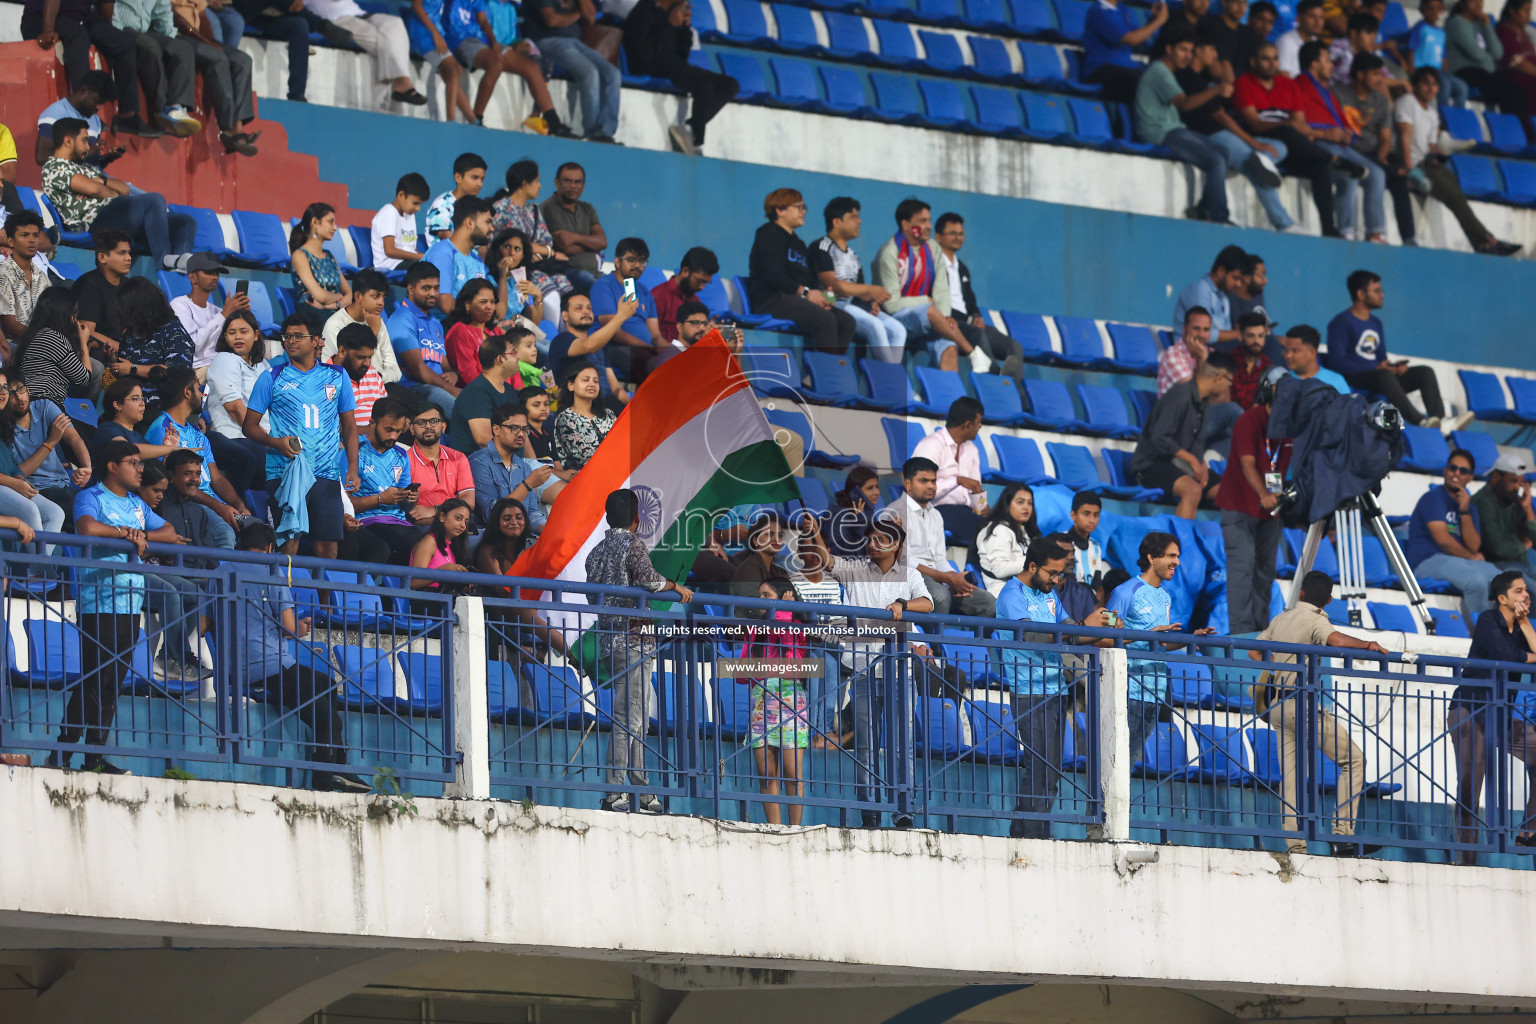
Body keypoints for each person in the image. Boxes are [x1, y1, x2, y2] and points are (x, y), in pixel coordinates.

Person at [53, 441, 179, 771]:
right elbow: (87, 528)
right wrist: (126, 535)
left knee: (112, 681)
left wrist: (139, 537)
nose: (140, 469)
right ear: (112, 466)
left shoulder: (137, 504)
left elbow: (168, 531)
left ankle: (86, 755)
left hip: (129, 602)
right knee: (96, 678)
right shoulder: (91, 496)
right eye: (133, 463)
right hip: (98, 601)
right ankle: (69, 751)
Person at [804, 514, 932, 828]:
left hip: (899, 670)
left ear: (897, 545)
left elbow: (927, 603)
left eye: (881, 540)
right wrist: (816, 532)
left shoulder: (910, 575)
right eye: (870, 539)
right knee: (865, 745)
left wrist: (903, 603)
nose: (873, 545)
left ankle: (905, 809)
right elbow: (827, 562)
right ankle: (870, 810)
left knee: (903, 743)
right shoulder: (858, 569)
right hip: (863, 669)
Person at [1251, 570, 1388, 856]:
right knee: (1354, 760)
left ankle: (1296, 846)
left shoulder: (1281, 617)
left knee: (1290, 776)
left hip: (1278, 706)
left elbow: (1255, 652)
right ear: (1327, 600)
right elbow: (1336, 641)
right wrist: (1368, 645)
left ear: (1300, 593)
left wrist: (1280, 667)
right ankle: (1342, 834)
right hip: (1303, 705)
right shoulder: (1315, 619)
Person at [230, 522, 370, 791]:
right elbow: (290, 628)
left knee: (323, 687)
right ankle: (329, 772)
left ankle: (336, 769)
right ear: (271, 548)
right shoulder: (272, 573)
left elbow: (202, 625)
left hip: (235, 666)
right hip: (269, 667)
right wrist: (302, 627)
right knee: (325, 695)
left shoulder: (219, 571)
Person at [995, 537, 1113, 838]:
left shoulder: (1049, 594)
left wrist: (1106, 628)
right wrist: (1082, 629)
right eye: (1052, 573)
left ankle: (1025, 832)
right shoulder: (1012, 594)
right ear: (1032, 566)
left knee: (1050, 771)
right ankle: (1030, 836)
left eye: (1061, 574)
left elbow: (1071, 632)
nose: (1057, 580)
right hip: (1028, 691)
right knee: (1040, 769)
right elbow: (1030, 637)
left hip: (1055, 691)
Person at [586, 488, 694, 812]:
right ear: (637, 519)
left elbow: (593, 596)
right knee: (628, 718)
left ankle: (642, 791)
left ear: (607, 517)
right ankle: (615, 792)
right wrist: (676, 587)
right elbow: (649, 581)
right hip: (635, 641)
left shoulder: (596, 551)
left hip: (609, 640)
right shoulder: (633, 544)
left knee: (636, 717)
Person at [243, 320, 359, 561]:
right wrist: (275, 443)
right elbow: (249, 427)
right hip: (285, 473)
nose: (291, 341)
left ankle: (324, 600)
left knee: (328, 548)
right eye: (287, 336)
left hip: (326, 474)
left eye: (298, 336)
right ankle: (286, 598)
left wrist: (353, 468)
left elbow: (349, 427)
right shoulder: (271, 377)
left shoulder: (337, 376)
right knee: (288, 543)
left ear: (317, 340)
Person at [1450, 570, 1536, 858]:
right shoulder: (1487, 620)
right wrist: (1528, 657)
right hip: (1470, 709)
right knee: (1471, 780)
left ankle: (1528, 832)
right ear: (1502, 598)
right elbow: (1505, 657)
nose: (1526, 595)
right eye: (1518, 591)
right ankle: (1467, 854)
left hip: (1500, 714)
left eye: (1526, 590)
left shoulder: (1522, 628)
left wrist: (1524, 622)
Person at [1108, 532, 1216, 758]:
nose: (1177, 562)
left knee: (1133, 759)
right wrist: (1148, 634)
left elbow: (1161, 643)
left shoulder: (1165, 596)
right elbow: (1105, 638)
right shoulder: (1124, 592)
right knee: (1117, 758)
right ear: (1151, 558)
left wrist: (1192, 638)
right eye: (1171, 556)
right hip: (1126, 688)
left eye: (1177, 556)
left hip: (1155, 691)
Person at [1176, 33, 1296, 232]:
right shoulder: (1188, 77)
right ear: (1199, 51)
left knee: (1280, 147)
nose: (1215, 56)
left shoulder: (1205, 78)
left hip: (1226, 134)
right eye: (1212, 50)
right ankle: (1283, 222)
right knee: (1255, 168)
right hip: (1211, 134)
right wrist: (1254, 144)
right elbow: (1221, 116)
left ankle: (1205, 207)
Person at [1396, 68, 1522, 256]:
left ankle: (1483, 242)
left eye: (1435, 84)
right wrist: (1408, 169)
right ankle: (1486, 241)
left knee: (1458, 196)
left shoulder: (1431, 112)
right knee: (1455, 198)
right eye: (1426, 83)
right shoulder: (1407, 103)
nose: (1431, 88)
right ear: (1415, 84)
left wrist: (1439, 154)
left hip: (1428, 164)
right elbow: (1404, 137)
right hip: (1415, 167)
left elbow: (1430, 145)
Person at [1235, 42, 1357, 236]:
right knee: (1291, 133)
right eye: (1265, 59)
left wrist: (1292, 125)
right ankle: (1332, 158)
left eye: (1275, 58)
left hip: (1291, 142)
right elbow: (1255, 125)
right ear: (1253, 61)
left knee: (1320, 166)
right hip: (1263, 135)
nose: (1271, 63)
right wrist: (1286, 124)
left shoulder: (1289, 85)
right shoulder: (1243, 82)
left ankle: (1329, 228)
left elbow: (1301, 126)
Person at [41, 119, 195, 268]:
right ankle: (163, 263)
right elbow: (95, 189)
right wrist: (101, 188)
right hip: (96, 220)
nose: (88, 147)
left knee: (185, 222)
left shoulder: (85, 167)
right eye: (84, 140)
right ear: (68, 141)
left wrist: (100, 181)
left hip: (116, 214)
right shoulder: (53, 166)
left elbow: (124, 189)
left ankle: (178, 269)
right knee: (154, 200)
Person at [1134, 25, 1240, 225]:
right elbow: (1185, 104)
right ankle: (1219, 217)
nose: (1188, 56)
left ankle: (1202, 209)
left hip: (1174, 129)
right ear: (1169, 49)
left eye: (1191, 51)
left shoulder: (1167, 71)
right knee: (1216, 160)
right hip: (1159, 133)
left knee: (1224, 153)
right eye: (1183, 50)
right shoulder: (1159, 71)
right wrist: (1217, 89)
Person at [1325, 270, 1456, 429]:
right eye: (1377, 291)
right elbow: (1336, 362)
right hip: (1355, 378)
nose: (1382, 295)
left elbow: (1381, 360)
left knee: (1424, 372)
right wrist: (1377, 368)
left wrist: (1395, 367)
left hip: (1379, 376)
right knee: (1384, 375)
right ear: (1361, 294)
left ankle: (1440, 422)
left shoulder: (1376, 323)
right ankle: (1419, 421)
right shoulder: (1341, 322)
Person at [1218, 365, 1291, 633]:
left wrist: (1275, 496)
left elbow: (1280, 465)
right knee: (1242, 571)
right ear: (1266, 391)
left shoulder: (1288, 426)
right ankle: (1241, 634)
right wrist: (1264, 493)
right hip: (1239, 507)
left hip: (1270, 510)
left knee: (1265, 573)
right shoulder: (1249, 419)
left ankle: (1261, 632)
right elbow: (1247, 463)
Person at [143, 365, 248, 543]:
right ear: (187, 392)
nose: (201, 394)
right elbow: (173, 483)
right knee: (224, 535)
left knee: (256, 531)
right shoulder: (162, 429)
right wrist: (220, 507)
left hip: (212, 504)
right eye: (198, 387)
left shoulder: (197, 434)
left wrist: (239, 505)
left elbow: (216, 478)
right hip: (186, 502)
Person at [1295, 40, 1387, 243]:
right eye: (1327, 61)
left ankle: (1375, 232)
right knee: (1349, 173)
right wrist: (1326, 134)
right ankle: (1346, 230)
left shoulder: (1326, 92)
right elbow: (1297, 126)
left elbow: (1342, 122)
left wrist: (1346, 133)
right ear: (1314, 64)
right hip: (1318, 145)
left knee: (1377, 174)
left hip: (1339, 144)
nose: (1332, 65)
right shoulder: (1297, 86)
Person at [882, 456, 996, 617]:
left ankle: (976, 643)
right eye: (923, 481)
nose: (930, 486)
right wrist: (946, 578)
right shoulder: (893, 513)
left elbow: (940, 559)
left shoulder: (935, 515)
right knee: (940, 596)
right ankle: (935, 643)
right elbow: (902, 560)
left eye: (933, 481)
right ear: (908, 484)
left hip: (937, 577)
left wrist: (955, 578)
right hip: (908, 576)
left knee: (987, 601)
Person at [749, 189, 857, 356]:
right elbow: (773, 274)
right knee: (826, 320)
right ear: (780, 210)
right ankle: (825, 375)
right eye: (798, 207)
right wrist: (806, 293)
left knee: (846, 321)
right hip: (772, 299)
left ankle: (823, 370)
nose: (803, 211)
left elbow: (807, 279)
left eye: (803, 207)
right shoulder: (768, 234)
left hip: (795, 299)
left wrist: (824, 296)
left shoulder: (797, 243)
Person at [622, 0, 738, 154]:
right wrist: (669, 25)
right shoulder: (642, 12)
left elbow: (682, 55)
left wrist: (684, 28)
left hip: (675, 66)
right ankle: (695, 139)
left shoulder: (671, 14)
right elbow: (645, 54)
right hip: (651, 68)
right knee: (703, 84)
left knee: (730, 85)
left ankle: (690, 127)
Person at [872, 198, 971, 372]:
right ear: (906, 225)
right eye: (923, 221)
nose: (929, 226)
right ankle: (973, 353)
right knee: (930, 311)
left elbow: (941, 288)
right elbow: (891, 304)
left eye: (929, 220)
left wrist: (945, 316)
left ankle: (947, 399)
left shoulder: (933, 248)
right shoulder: (889, 253)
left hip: (926, 320)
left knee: (948, 347)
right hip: (895, 318)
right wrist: (925, 301)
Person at [1131, 352, 1235, 518]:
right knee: (1192, 490)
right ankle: (1177, 543)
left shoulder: (1204, 402)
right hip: (1152, 464)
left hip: (1180, 463)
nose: (1228, 387)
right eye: (1229, 381)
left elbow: (1197, 444)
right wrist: (1192, 460)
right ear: (1219, 378)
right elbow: (1160, 438)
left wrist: (1201, 464)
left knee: (1229, 492)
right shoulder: (1180, 395)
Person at [442, 0, 569, 135]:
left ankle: (553, 122)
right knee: (495, 63)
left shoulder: (508, 7)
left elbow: (487, 23)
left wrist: (509, 43)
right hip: (465, 41)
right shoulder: (487, 3)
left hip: (488, 42)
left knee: (531, 66)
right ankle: (477, 118)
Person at [20, 5, 146, 136]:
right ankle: (82, 109)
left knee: (124, 42)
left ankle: (128, 116)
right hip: (43, 19)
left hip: (82, 20)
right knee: (79, 36)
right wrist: (48, 29)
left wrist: (107, 33)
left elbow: (106, 7)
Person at [1408, 449, 1503, 620]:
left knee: (1505, 583)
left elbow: (1474, 545)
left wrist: (1465, 511)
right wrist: (1472, 556)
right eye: (1453, 468)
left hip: (1459, 560)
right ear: (1445, 470)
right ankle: (1485, 637)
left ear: (1470, 477)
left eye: (1463, 471)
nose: (1456, 473)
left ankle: (1511, 634)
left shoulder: (1469, 504)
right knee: (1476, 582)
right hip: (1428, 560)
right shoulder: (1433, 498)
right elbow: (1443, 541)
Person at [808, 198, 904, 364]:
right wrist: (868, 290)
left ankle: (890, 376)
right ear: (837, 222)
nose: (859, 221)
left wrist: (870, 304)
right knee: (876, 327)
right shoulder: (821, 247)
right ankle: (894, 379)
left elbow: (858, 292)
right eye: (853, 217)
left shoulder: (854, 256)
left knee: (898, 330)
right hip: (831, 303)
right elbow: (832, 285)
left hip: (851, 306)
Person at [931, 213, 1025, 376]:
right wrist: (968, 319)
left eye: (961, 234)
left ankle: (1017, 394)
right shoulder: (932, 265)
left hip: (969, 324)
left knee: (1014, 347)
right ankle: (995, 376)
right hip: (950, 323)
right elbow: (936, 302)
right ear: (938, 237)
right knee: (979, 335)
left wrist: (976, 315)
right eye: (953, 233)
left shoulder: (962, 268)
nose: (958, 237)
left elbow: (971, 301)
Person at [170, 0, 260, 156]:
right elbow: (172, 16)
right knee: (218, 58)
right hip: (177, 35)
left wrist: (210, 40)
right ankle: (227, 129)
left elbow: (202, 15)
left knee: (243, 61)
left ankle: (237, 126)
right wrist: (205, 42)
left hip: (197, 36)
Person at [524, 0, 622, 143]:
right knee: (590, 72)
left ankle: (606, 132)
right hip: (548, 41)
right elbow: (552, 20)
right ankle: (592, 131)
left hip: (574, 42)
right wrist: (578, 14)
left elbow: (591, 17)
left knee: (613, 74)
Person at [302, 0, 426, 107]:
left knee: (394, 24)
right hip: (333, 20)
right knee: (385, 42)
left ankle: (401, 83)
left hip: (359, 13)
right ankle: (391, 100)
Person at [107, 0, 204, 137]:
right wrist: (116, 30)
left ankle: (175, 108)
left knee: (182, 48)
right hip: (122, 27)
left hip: (143, 31)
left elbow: (163, 11)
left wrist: (169, 43)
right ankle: (161, 111)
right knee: (150, 47)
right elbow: (111, 7)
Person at [490, 160, 574, 307]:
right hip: (511, 271)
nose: (540, 185)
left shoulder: (533, 210)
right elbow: (504, 242)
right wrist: (545, 251)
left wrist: (540, 250)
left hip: (537, 265)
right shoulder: (501, 209)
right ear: (524, 184)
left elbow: (547, 240)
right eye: (536, 181)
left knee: (570, 294)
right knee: (551, 297)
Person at [912, 396, 990, 546]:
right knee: (983, 532)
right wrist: (957, 480)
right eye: (978, 422)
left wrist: (983, 507)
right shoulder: (931, 445)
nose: (980, 426)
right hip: (934, 510)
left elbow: (975, 487)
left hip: (964, 512)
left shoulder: (972, 450)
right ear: (967, 425)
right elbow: (919, 490)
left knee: (1000, 527)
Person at [0, 367, 66, 542]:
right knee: (30, 510)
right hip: (3, 486)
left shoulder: (4, 424)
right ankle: (40, 568)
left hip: (9, 485)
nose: (3, 393)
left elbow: (12, 465)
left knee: (55, 513)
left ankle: (38, 567)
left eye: (4, 387)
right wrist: (14, 482)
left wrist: (18, 478)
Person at [351, 395, 420, 563]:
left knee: (428, 544)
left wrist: (409, 498)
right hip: (367, 521)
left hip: (399, 521)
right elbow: (344, 504)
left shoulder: (401, 455)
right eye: (389, 429)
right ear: (373, 423)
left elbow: (405, 504)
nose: (394, 436)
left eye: (398, 431)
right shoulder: (354, 451)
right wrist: (380, 499)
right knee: (401, 547)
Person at [205, 310, 269, 487]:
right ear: (225, 337)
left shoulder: (262, 364)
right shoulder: (225, 359)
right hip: (237, 436)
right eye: (232, 333)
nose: (238, 337)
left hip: (263, 436)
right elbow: (234, 408)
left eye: (244, 331)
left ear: (256, 335)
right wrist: (267, 440)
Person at [468, 402, 555, 530]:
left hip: (520, 536)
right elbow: (490, 515)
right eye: (514, 428)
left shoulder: (524, 467)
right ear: (496, 429)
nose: (521, 434)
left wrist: (549, 531)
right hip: (490, 538)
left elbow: (531, 513)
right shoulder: (479, 462)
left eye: (525, 430)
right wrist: (527, 485)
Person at [385, 261, 459, 413]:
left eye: (436, 288)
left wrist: (452, 374)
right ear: (411, 289)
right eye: (426, 288)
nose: (433, 293)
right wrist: (450, 388)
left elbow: (443, 363)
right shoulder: (402, 318)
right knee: (464, 410)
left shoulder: (436, 322)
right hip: (413, 387)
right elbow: (418, 369)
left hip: (438, 385)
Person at [589, 237, 662, 385]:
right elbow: (615, 333)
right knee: (654, 367)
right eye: (631, 260)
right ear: (617, 261)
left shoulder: (644, 292)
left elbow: (656, 336)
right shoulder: (604, 286)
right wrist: (650, 349)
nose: (637, 265)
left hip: (645, 351)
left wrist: (669, 350)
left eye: (642, 261)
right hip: (614, 349)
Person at [113, 275, 195, 403]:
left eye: (128, 309)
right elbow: (123, 369)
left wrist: (133, 369)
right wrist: (114, 361)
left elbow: (177, 374)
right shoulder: (130, 333)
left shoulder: (173, 331)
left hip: (161, 405)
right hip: (128, 405)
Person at [1446, 0, 1528, 124]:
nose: (1478, 4)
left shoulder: (1481, 23)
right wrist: (1491, 63)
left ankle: (1521, 134)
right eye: (1473, 1)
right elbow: (1476, 54)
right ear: (1463, 4)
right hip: (1465, 71)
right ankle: (1511, 133)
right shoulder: (1456, 23)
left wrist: (1486, 26)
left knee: (1520, 90)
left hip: (1484, 72)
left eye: (1481, 0)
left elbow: (1498, 53)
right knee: (1508, 93)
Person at [12, 286, 93, 408]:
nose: (75, 319)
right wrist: (83, 342)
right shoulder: (55, 338)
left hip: (32, 401)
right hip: (44, 401)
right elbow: (84, 379)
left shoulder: (35, 334)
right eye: (74, 312)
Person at [318, 268, 400, 385]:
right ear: (358, 296)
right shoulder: (335, 325)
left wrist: (380, 378)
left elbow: (395, 370)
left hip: (383, 386)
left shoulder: (377, 321)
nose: (381, 302)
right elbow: (349, 373)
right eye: (375, 296)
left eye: (383, 297)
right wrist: (373, 334)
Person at [448, 330, 526, 452]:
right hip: (482, 465)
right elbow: (483, 439)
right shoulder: (476, 392)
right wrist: (515, 465)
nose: (518, 356)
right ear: (500, 359)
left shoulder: (510, 391)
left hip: (514, 464)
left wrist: (533, 462)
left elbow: (524, 434)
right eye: (514, 352)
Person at [170, 252, 247, 371]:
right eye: (208, 272)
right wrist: (224, 315)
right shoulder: (179, 304)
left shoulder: (217, 310)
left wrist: (243, 318)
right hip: (196, 369)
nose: (215, 277)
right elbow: (192, 345)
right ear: (192, 277)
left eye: (216, 273)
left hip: (221, 365)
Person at [1083, 0, 1168, 102]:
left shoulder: (1121, 8)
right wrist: (1159, 21)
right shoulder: (1099, 10)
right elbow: (1130, 39)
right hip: (1102, 69)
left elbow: (1136, 34)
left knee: (1162, 84)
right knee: (1145, 87)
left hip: (1125, 68)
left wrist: (1153, 19)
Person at [1472, 453, 1536, 583]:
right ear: (1496, 477)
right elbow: (1497, 549)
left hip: (1523, 566)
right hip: (1497, 567)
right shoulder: (1481, 502)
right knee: (1530, 593)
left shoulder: (1517, 501)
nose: (1518, 487)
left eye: (1521, 482)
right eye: (1513, 481)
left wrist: (1528, 509)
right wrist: (1525, 545)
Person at [406, 401, 475, 522]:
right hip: (422, 525)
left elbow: (468, 500)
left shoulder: (458, 457)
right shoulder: (404, 461)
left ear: (443, 427)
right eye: (421, 422)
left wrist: (436, 509)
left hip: (457, 523)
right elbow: (410, 510)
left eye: (434, 421)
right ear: (412, 429)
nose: (428, 426)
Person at [540, 162, 606, 287]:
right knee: (598, 287)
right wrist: (592, 244)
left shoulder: (588, 209)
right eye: (568, 181)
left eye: (577, 182)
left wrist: (575, 238)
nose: (573, 186)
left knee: (627, 286)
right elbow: (564, 245)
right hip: (565, 273)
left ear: (583, 185)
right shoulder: (548, 208)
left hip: (595, 272)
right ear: (556, 183)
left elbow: (602, 242)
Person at [72, 229, 132, 366]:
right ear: (102, 258)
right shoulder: (88, 284)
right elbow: (86, 330)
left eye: (129, 253)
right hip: (100, 353)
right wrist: (121, 348)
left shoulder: (129, 286)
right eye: (122, 253)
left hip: (126, 351)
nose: (128, 258)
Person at [1171, 245, 1247, 352]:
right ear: (1221, 271)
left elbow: (1227, 333)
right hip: (1190, 351)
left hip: (1215, 350)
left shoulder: (1224, 297)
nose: (1238, 284)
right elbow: (1202, 335)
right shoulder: (1200, 290)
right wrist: (1240, 334)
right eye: (1235, 278)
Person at [424, 197, 493, 314]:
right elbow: (446, 305)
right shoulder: (442, 254)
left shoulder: (477, 261)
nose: (492, 228)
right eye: (488, 222)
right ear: (469, 223)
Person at [974, 482, 1040, 598]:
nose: (1026, 507)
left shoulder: (1022, 529)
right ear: (1007, 505)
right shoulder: (999, 530)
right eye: (1020, 502)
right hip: (1003, 592)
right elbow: (1000, 569)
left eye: (1030, 503)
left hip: (1023, 590)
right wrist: (1035, 563)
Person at [0, 212, 55, 347]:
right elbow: (10, 325)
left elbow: (52, 318)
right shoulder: (3, 273)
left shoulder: (43, 278)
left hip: (42, 344)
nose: (32, 240)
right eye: (24, 235)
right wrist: (44, 342)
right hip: (13, 344)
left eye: (35, 235)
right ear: (11, 241)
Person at [551, 361, 616, 471]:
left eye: (596, 381)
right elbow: (582, 456)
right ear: (571, 385)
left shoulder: (608, 414)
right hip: (584, 478)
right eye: (586, 380)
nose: (592, 384)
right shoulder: (565, 419)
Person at [289, 201, 351, 315]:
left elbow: (350, 294)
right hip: (311, 315)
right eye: (330, 222)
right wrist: (339, 296)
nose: (335, 228)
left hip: (334, 312)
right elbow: (320, 296)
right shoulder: (300, 255)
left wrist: (336, 305)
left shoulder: (330, 256)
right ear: (315, 222)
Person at [650, 245, 717, 344]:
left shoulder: (696, 301)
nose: (702, 287)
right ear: (685, 271)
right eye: (699, 281)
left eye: (706, 283)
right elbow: (653, 340)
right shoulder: (658, 296)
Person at [408, 497, 473, 596]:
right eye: (458, 518)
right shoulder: (429, 541)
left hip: (445, 599)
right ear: (442, 516)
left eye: (466, 522)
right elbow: (414, 583)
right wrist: (443, 571)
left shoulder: (453, 547)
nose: (463, 525)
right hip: (425, 601)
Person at [1410, 0, 1470, 107]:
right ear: (1422, 9)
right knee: (1444, 85)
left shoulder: (1441, 32)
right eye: (1430, 8)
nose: (1433, 12)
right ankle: (1443, 117)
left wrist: (1448, 73)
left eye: (1437, 8)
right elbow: (1411, 49)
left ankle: (1456, 118)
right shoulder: (1420, 28)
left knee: (1462, 87)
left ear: (1441, 10)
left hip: (1439, 71)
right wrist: (1411, 70)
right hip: (1424, 69)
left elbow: (1443, 57)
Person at [330, 322, 388, 428]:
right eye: (361, 357)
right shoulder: (325, 378)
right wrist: (372, 430)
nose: (367, 363)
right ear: (342, 351)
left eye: (370, 357)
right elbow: (330, 427)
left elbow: (386, 412)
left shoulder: (372, 373)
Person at [486, 227, 546, 327]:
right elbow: (500, 315)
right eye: (507, 247)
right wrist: (502, 277)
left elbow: (534, 323)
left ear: (523, 255)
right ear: (498, 249)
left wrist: (538, 297)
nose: (512, 253)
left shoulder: (519, 280)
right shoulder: (487, 277)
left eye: (517, 249)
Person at [371, 172, 426, 272]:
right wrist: (420, 257)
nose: (418, 208)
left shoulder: (410, 215)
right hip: (390, 265)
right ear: (401, 195)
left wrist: (425, 257)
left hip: (407, 262)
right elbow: (389, 250)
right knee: (425, 269)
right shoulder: (389, 212)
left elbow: (410, 248)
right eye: (415, 203)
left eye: (420, 204)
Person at [425, 153, 487, 240]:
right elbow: (449, 243)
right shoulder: (442, 204)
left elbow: (482, 245)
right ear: (458, 177)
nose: (479, 184)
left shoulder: (477, 207)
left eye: (482, 179)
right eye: (474, 177)